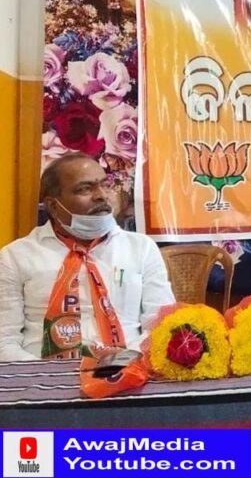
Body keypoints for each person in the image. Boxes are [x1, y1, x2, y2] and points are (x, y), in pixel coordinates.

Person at [0, 153, 175, 361]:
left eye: (105, 185)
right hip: (41, 372)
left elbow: (161, 325)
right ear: (53, 206)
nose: (101, 196)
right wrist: (44, 374)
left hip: (129, 369)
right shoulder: (15, 257)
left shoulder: (141, 248)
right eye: (85, 189)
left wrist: (126, 364)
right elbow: (4, 340)